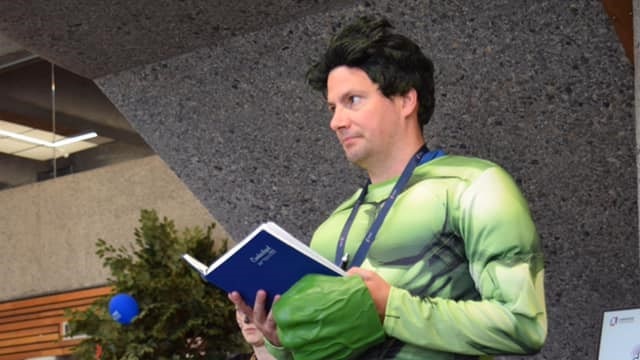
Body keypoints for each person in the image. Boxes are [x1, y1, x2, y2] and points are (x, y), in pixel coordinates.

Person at [230, 16, 547, 359]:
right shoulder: (329, 229)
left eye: (353, 100)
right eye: (333, 107)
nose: (336, 121)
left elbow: (523, 324)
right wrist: (279, 341)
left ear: (406, 101)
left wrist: (391, 307)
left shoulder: (473, 186)